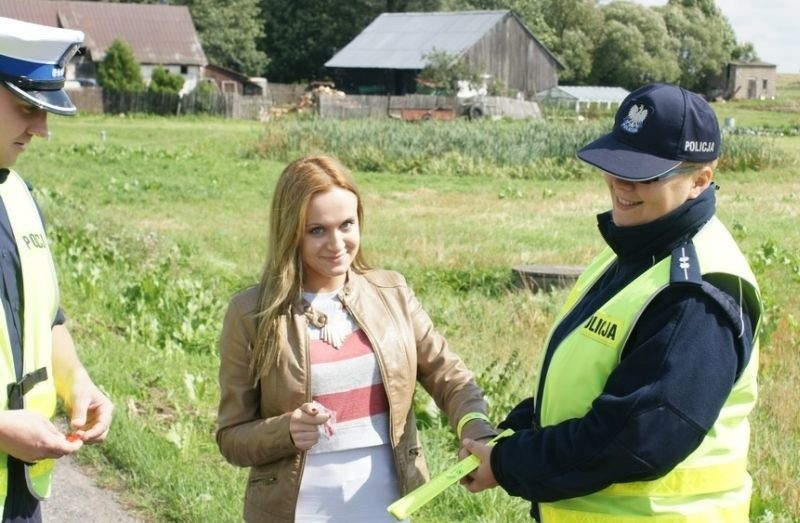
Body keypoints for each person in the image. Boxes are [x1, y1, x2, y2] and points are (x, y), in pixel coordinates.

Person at [461, 82, 763, 522]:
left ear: (700, 178)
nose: (619, 183)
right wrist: (520, 427)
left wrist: (509, 463)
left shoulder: (694, 295)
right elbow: (599, 381)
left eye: (644, 173)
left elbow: (633, 439)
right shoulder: (636, 247)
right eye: (615, 163)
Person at [216, 154, 496, 522]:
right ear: (290, 232)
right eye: (317, 230)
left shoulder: (391, 293)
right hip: (295, 512)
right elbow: (232, 438)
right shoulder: (251, 313)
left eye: (346, 224)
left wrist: (478, 432)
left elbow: (452, 380)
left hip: (386, 508)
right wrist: (286, 430)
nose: (336, 243)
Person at [0, 17, 114, 523]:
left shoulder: (18, 196)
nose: (41, 129)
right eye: (28, 107)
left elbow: (45, 319)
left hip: (20, 495)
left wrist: (78, 384)